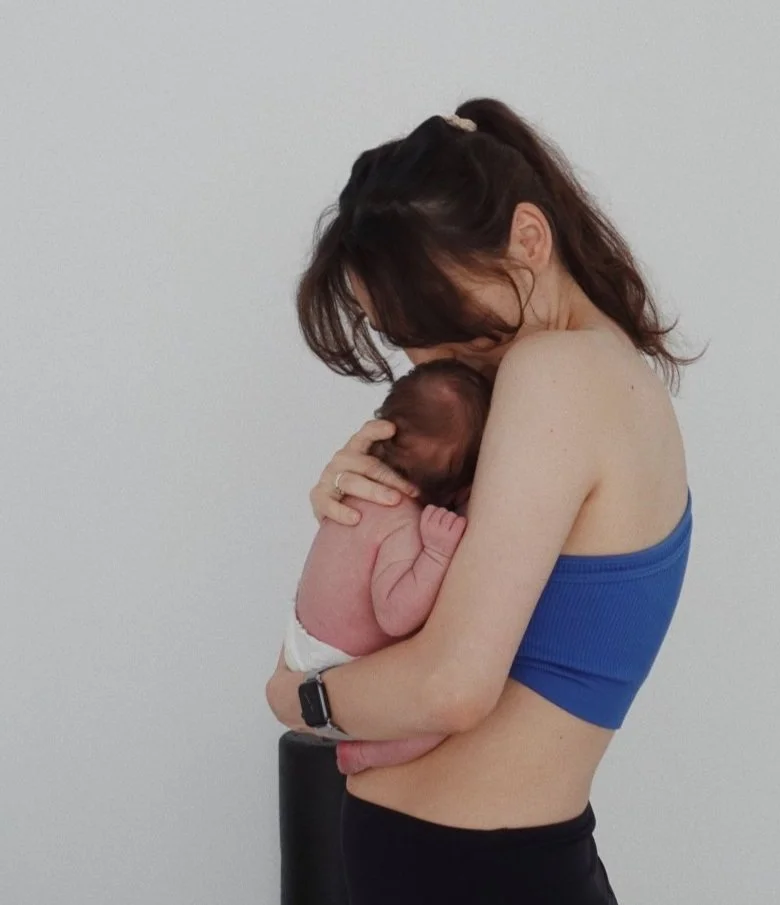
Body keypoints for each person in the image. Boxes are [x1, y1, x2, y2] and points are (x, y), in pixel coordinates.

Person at [266, 98, 695, 905]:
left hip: (475, 873)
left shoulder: (556, 374)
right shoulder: (593, 379)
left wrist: (297, 691)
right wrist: (362, 518)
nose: (429, 361)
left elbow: (449, 686)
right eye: (402, 336)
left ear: (529, 240)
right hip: (490, 866)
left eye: (445, 321)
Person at [284, 358, 491, 776]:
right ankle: (362, 755)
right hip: (335, 669)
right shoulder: (404, 523)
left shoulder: (354, 490)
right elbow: (394, 616)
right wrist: (435, 555)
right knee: (439, 722)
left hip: (298, 645)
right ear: (464, 489)